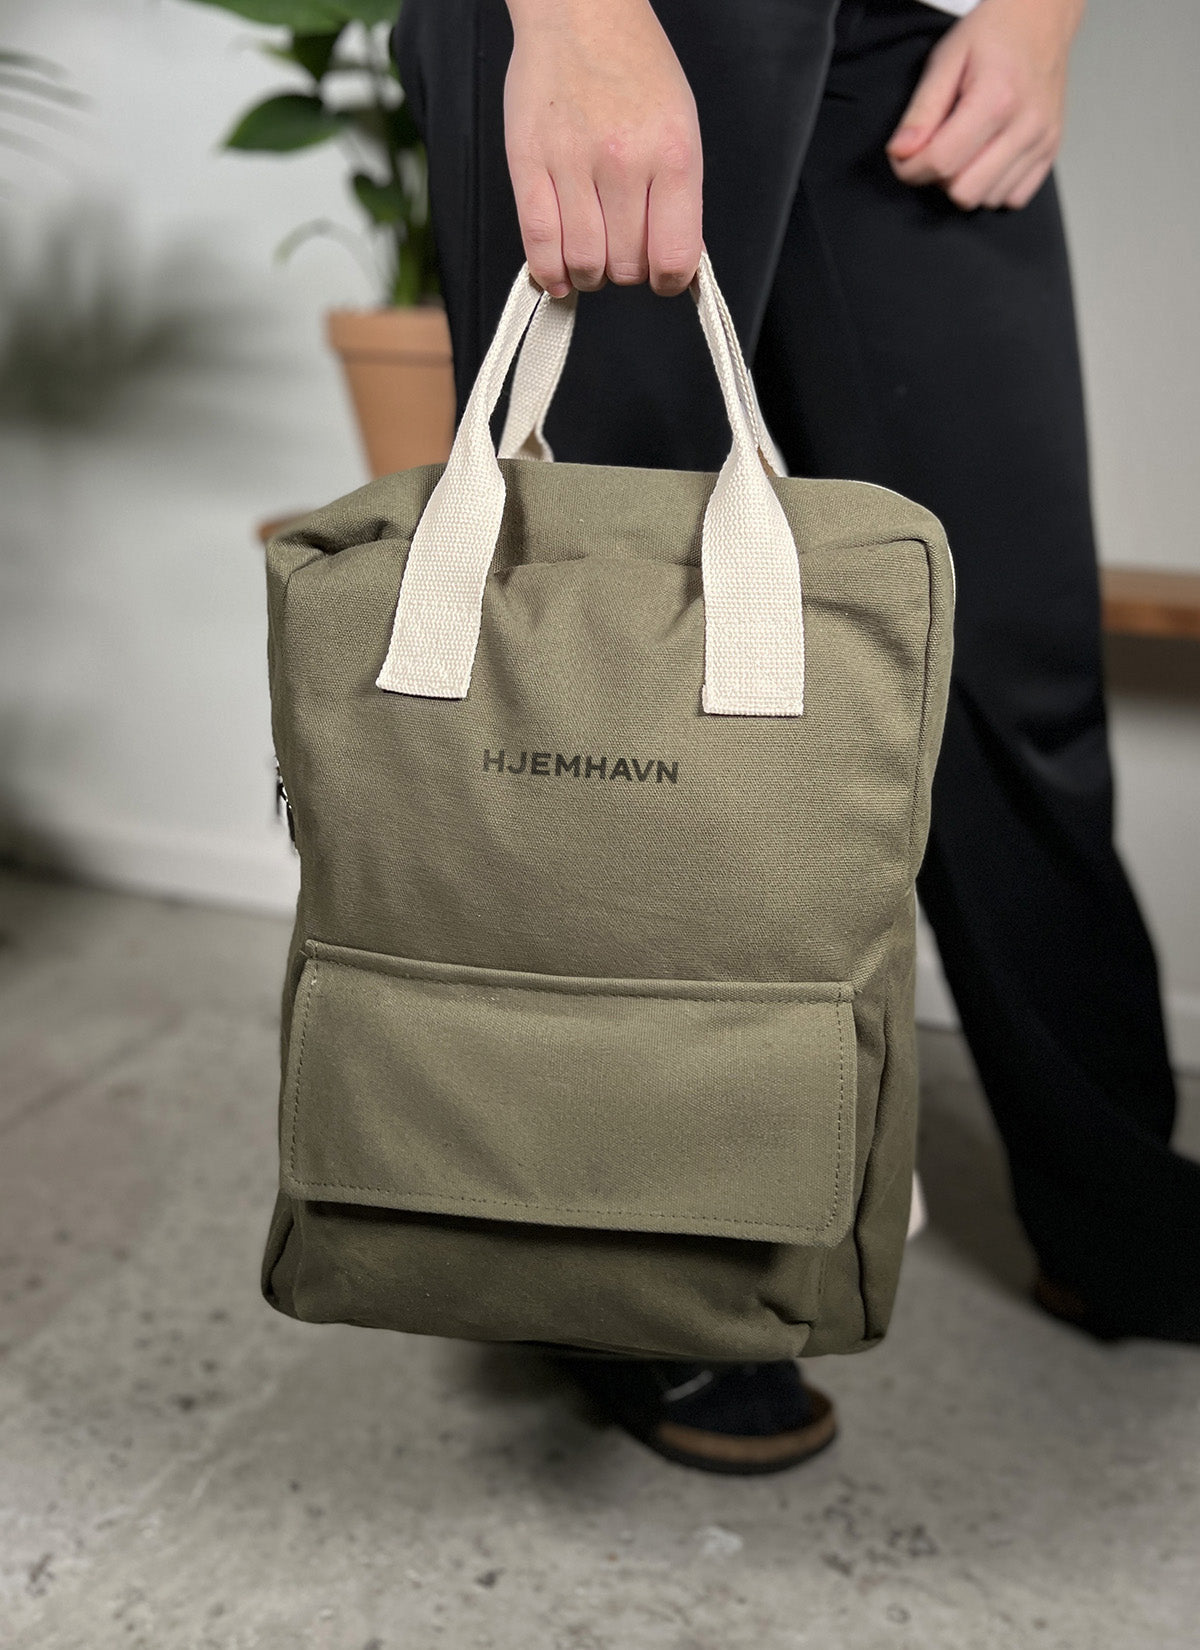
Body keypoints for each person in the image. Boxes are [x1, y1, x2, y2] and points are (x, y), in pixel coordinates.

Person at [392, 0, 1200, 1473]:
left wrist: (1042, 17)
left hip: (914, 33)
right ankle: (630, 1270)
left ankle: (1119, 1205)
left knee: (1002, 650)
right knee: (609, 672)